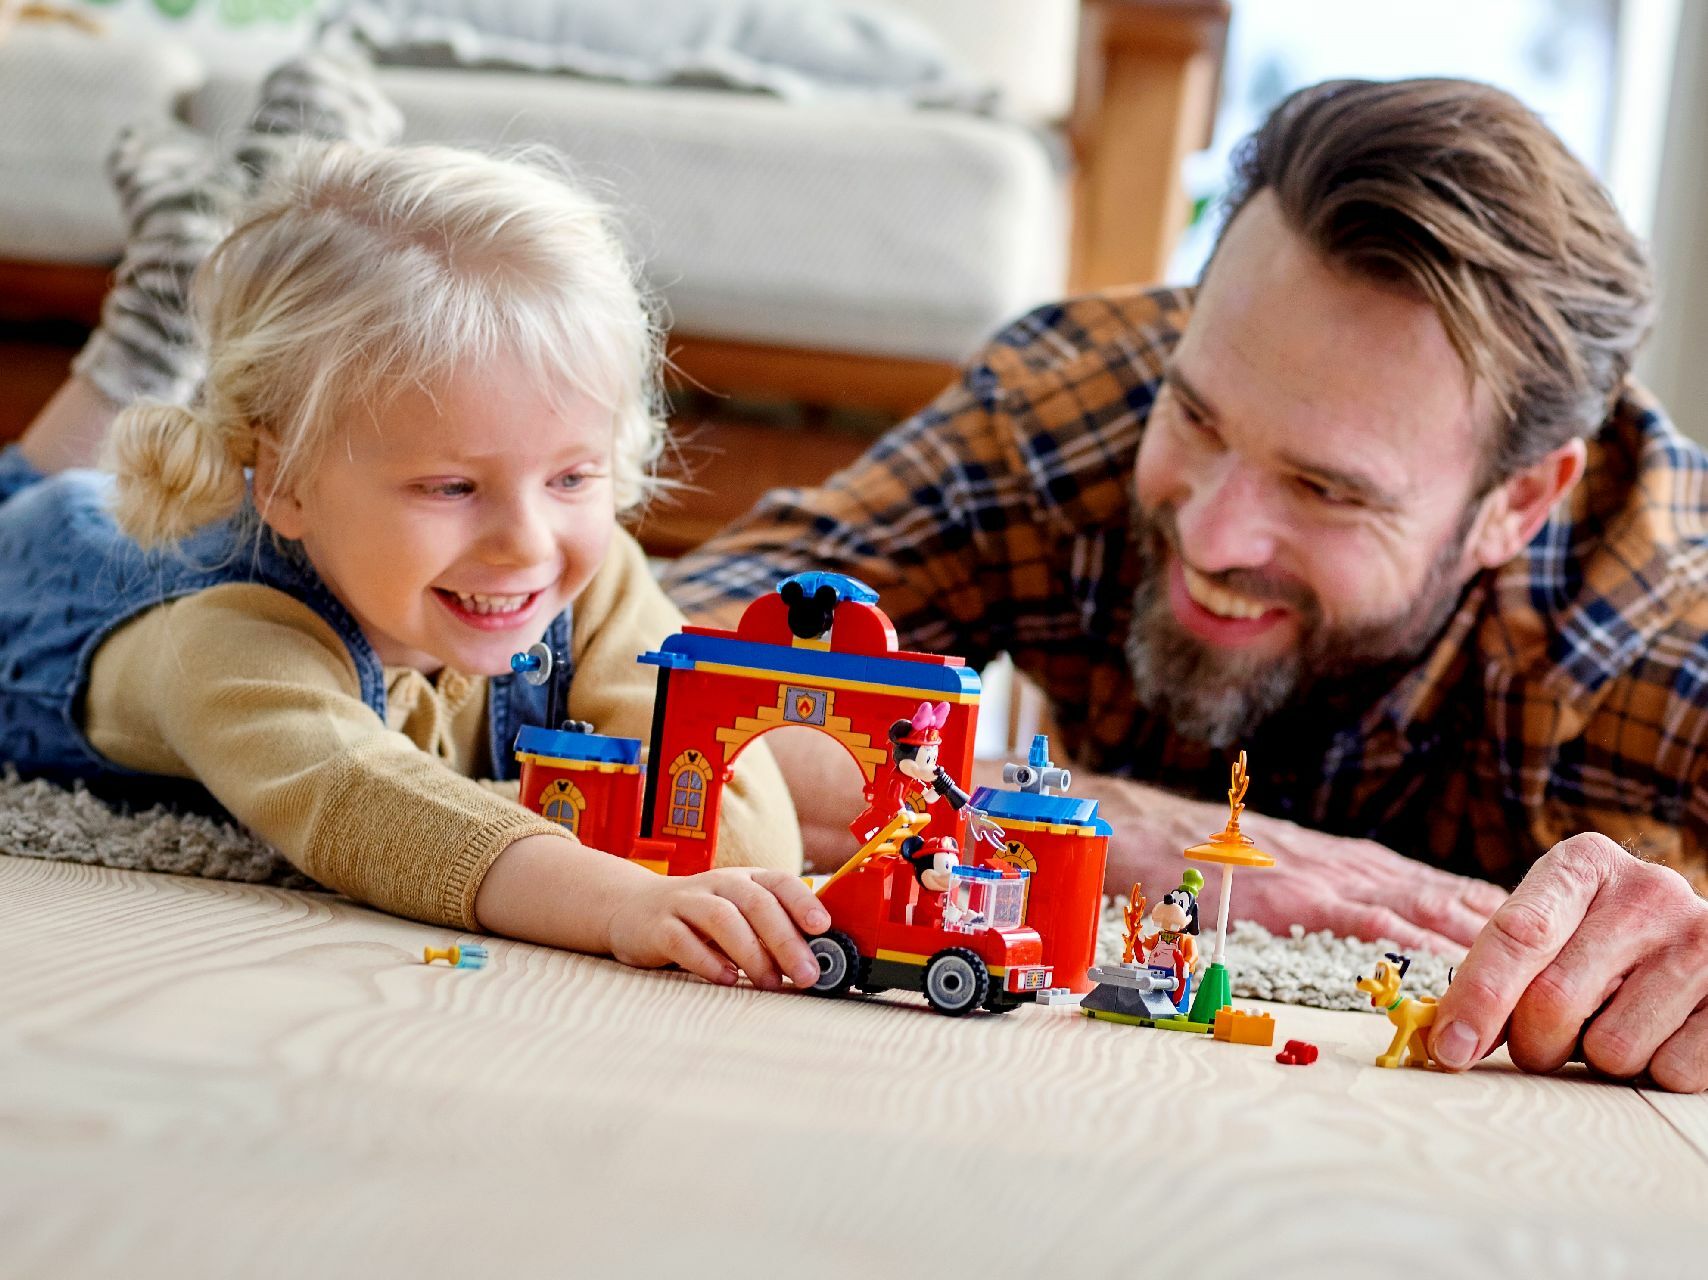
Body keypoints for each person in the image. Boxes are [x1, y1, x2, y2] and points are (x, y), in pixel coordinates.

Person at [663, 78, 1708, 1091]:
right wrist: (1081, 825)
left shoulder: (1667, 623)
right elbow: (638, 656)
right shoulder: (1073, 409)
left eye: (1323, 488)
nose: (1209, 534)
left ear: (1518, 502)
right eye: (1197, 417)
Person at [1, 81, 821, 994]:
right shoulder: (223, 639)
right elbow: (371, 812)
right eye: (452, 486)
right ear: (283, 482)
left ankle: (208, 275)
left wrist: (545, 824)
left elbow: (742, 823)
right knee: (43, 490)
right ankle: (166, 310)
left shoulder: (592, 582)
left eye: (572, 477)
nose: (526, 542)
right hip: (45, 570)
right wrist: (616, 897)